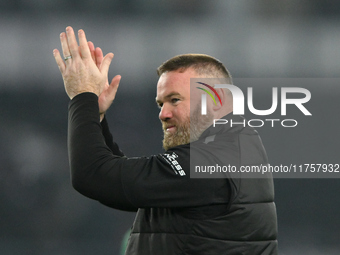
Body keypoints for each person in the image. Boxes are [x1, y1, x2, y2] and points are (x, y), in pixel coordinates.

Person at [53, 26, 278, 255]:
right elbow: (126, 188)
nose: (163, 114)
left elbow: (92, 175)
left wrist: (82, 96)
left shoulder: (210, 163)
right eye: (161, 103)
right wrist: (96, 116)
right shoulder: (233, 150)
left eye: (175, 100)